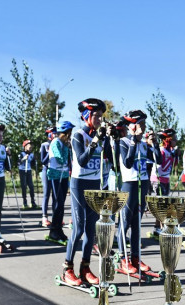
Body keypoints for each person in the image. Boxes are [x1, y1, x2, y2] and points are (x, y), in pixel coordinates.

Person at [62, 98, 113, 286]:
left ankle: (85, 267)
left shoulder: (100, 135)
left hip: (95, 184)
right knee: (79, 228)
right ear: (87, 116)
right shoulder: (78, 135)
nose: (100, 119)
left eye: (102, 116)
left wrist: (108, 138)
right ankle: (67, 268)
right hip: (79, 184)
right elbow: (82, 161)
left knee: (92, 229)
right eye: (97, 116)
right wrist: (95, 141)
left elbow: (110, 158)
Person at [116, 110, 154, 273]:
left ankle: (136, 258)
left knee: (137, 224)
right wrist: (133, 140)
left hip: (143, 183)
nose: (144, 128)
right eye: (141, 124)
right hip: (129, 184)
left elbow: (156, 160)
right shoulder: (123, 142)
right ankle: (123, 259)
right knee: (124, 223)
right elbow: (128, 163)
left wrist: (155, 144)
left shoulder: (144, 144)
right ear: (133, 126)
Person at [47, 121, 75, 242]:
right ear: (65, 133)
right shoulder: (56, 142)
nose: (70, 135)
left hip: (63, 175)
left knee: (61, 204)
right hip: (55, 175)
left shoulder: (64, 143)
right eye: (69, 133)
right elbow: (60, 159)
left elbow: (69, 159)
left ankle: (59, 229)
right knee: (57, 204)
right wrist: (67, 148)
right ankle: (53, 230)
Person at [150, 128, 178, 236]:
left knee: (165, 204)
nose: (176, 140)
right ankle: (159, 227)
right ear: (168, 139)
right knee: (162, 205)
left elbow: (171, 167)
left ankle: (159, 226)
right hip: (158, 179)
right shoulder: (161, 150)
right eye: (174, 138)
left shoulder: (169, 151)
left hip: (165, 179)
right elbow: (160, 165)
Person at [41, 127, 57, 226]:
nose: (55, 135)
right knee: (47, 193)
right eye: (53, 133)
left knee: (55, 195)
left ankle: (55, 217)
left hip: (55, 171)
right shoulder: (45, 145)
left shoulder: (58, 144)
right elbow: (43, 161)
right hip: (46, 170)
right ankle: (44, 217)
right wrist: (51, 149)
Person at [18, 139, 37, 209]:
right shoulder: (22, 154)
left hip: (28, 170)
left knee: (31, 186)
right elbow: (18, 162)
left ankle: (32, 201)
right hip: (22, 171)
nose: (31, 147)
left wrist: (34, 160)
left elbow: (32, 164)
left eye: (31, 145)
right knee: (24, 186)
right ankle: (24, 201)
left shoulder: (31, 154)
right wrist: (23, 159)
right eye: (29, 145)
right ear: (25, 146)